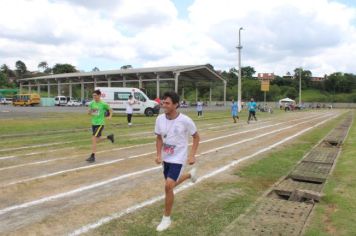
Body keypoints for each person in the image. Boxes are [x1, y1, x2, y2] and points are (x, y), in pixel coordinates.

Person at [154, 91, 200, 232]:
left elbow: (196, 137)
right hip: (166, 158)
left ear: (176, 104)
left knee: (168, 186)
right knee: (170, 186)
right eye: (163, 102)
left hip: (179, 158)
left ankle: (166, 218)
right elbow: (159, 138)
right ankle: (189, 175)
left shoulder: (185, 120)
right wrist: (158, 154)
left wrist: (192, 155)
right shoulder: (159, 119)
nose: (164, 105)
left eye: (167, 103)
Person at [87, 90, 114, 163]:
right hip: (93, 123)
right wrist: (90, 111)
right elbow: (89, 112)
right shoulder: (92, 103)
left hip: (100, 123)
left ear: (99, 95)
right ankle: (109, 137)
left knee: (93, 138)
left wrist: (110, 116)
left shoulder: (103, 104)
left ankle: (93, 156)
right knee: (97, 139)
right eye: (93, 96)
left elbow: (110, 110)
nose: (94, 97)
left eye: (95, 95)